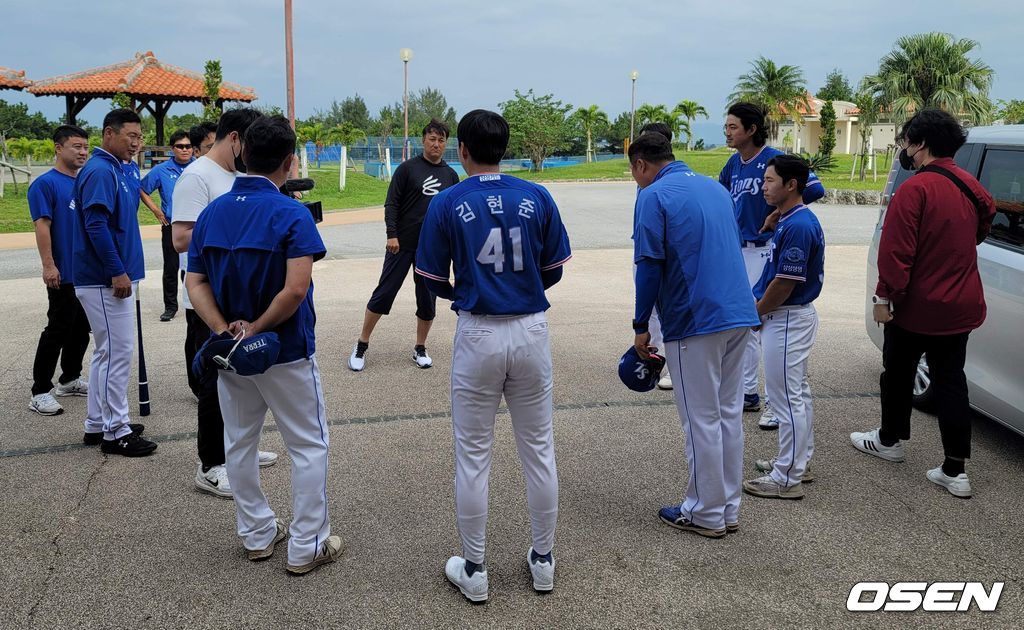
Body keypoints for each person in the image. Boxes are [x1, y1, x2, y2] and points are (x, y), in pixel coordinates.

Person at [415, 109, 571, 602]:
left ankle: (476, 569)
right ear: (506, 148)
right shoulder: (537, 195)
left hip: (478, 332)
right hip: (530, 329)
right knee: (539, 451)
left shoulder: (448, 200)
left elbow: (432, 279)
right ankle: (543, 561)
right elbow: (554, 271)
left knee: (473, 457)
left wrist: (476, 288)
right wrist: (518, 286)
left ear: (462, 150)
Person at [186, 114, 340, 574]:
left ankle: (256, 534)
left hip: (230, 354)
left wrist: (225, 329)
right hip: (287, 349)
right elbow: (295, 290)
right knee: (309, 445)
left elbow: (194, 282)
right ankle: (307, 545)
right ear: (289, 162)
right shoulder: (291, 213)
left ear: (242, 154)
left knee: (240, 442)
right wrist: (257, 327)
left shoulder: (212, 212)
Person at [851, 109, 995, 499]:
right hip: (961, 305)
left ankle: (889, 441)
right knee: (952, 382)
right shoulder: (971, 185)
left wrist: (884, 298)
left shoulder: (914, 189)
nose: (905, 149)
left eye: (907, 141)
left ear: (921, 143)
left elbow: (896, 255)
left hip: (914, 308)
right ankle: (955, 470)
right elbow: (983, 226)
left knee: (896, 375)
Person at [630, 132, 759, 538]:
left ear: (640, 165)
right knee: (727, 416)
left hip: (695, 319)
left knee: (699, 420)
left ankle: (704, 512)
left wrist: (641, 327)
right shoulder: (715, 188)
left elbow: (649, 265)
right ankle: (727, 509)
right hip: (739, 312)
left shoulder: (653, 196)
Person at [172, 108, 278, 497]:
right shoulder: (197, 175)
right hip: (208, 301)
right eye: (248, 144)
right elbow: (180, 237)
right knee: (214, 385)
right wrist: (233, 224)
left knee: (242, 381)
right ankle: (211, 464)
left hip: (239, 297)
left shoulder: (234, 175)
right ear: (234, 138)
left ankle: (239, 450)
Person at [720, 103, 825, 428]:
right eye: (726, 126)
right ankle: (750, 391)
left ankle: (770, 400)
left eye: (734, 126)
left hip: (766, 250)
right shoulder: (733, 164)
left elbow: (815, 188)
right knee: (744, 321)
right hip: (740, 249)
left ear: (751, 130)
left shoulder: (775, 160)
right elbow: (722, 199)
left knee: (760, 318)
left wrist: (779, 213)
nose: (728, 131)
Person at [71, 109, 155, 456]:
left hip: (111, 276)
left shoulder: (118, 168)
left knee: (106, 353)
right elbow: (95, 225)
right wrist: (116, 271)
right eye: (130, 136)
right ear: (109, 134)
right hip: (104, 279)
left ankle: (97, 423)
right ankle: (115, 431)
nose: (136, 143)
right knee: (118, 354)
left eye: (139, 137)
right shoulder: (101, 170)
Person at [347, 118, 459, 372]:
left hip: (431, 250)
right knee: (384, 293)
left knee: (427, 299)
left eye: (441, 140)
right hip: (401, 245)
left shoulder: (451, 175)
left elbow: (453, 213)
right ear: (423, 140)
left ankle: (420, 347)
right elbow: (392, 204)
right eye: (432, 139)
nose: (436, 144)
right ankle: (362, 344)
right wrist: (391, 234)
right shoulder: (408, 169)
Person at [742, 155, 824, 500]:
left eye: (771, 181)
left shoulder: (799, 225)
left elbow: (785, 283)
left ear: (792, 185)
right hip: (789, 316)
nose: (764, 186)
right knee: (797, 395)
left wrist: (757, 314)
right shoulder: (791, 219)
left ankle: (786, 478)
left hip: (787, 317)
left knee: (785, 398)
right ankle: (797, 464)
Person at [28, 125, 92, 416]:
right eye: (76, 146)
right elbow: (43, 226)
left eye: (85, 147)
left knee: (81, 329)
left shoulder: (85, 182)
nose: (82, 152)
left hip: (85, 272)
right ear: (58, 148)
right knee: (57, 329)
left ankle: (70, 378)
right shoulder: (45, 184)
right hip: (62, 271)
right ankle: (40, 389)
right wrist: (49, 265)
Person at [141, 130, 193, 322]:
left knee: (192, 267)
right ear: (173, 149)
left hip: (195, 225)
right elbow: (143, 188)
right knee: (171, 267)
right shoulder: (161, 170)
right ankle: (170, 307)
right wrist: (156, 210)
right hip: (171, 224)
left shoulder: (198, 167)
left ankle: (194, 304)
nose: (185, 150)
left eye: (188, 146)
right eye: (180, 146)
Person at [635, 121, 672, 391]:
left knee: (664, 309)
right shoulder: (645, 179)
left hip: (660, 254)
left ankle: (665, 360)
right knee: (652, 309)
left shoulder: (665, 183)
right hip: (643, 245)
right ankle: (653, 355)